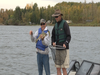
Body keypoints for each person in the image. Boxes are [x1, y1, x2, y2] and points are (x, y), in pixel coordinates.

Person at [51, 9, 71, 75]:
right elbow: (53, 36)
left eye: (56, 17)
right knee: (58, 68)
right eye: (55, 17)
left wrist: (65, 43)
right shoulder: (55, 26)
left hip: (64, 49)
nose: (56, 18)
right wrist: (53, 42)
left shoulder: (65, 24)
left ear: (60, 16)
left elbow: (69, 36)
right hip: (57, 49)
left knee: (64, 68)